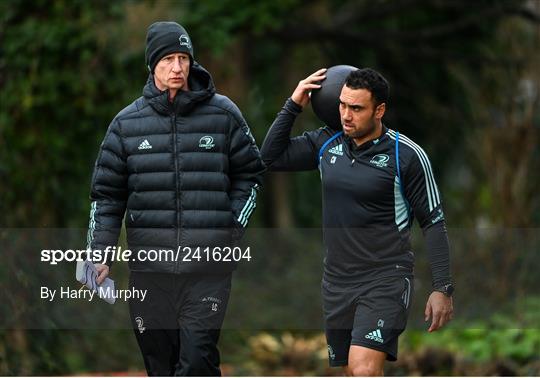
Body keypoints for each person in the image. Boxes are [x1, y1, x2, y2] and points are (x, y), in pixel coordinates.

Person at [86, 21, 265, 376]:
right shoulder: (125, 124)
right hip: (149, 269)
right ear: (152, 64)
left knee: (197, 361)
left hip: (208, 267)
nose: (177, 68)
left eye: (183, 58)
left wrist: (231, 227)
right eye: (168, 59)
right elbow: (106, 196)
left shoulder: (224, 113)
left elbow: (250, 173)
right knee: (159, 365)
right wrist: (98, 252)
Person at [261, 68, 453, 376]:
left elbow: (433, 221)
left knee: (363, 369)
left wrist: (442, 287)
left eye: (356, 108)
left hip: (385, 279)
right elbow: (268, 158)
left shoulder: (407, 156)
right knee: (353, 371)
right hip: (336, 282)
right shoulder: (327, 142)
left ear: (379, 110)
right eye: (342, 105)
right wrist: (293, 104)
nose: (346, 116)